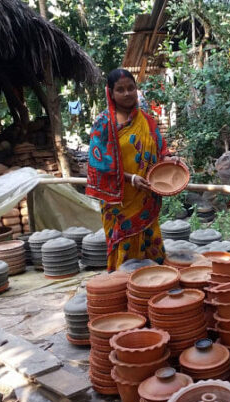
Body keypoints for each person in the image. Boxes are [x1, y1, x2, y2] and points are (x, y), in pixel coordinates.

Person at [86, 69, 175, 270]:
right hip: (119, 200)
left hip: (146, 196)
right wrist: (131, 178)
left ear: (136, 89)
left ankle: (154, 288)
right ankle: (122, 289)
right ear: (111, 93)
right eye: (120, 89)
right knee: (124, 245)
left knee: (150, 240)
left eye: (130, 88)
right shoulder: (103, 124)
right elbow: (97, 164)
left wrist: (170, 158)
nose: (127, 93)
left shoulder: (146, 120)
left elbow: (160, 148)